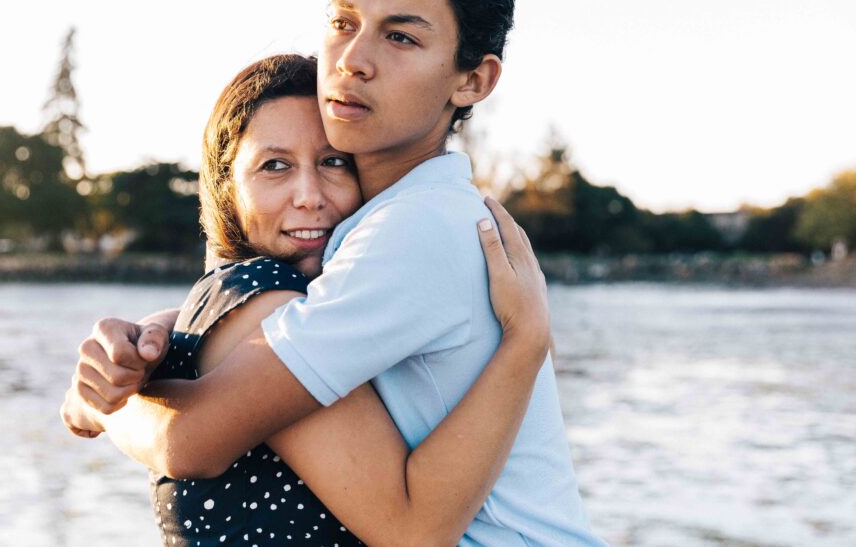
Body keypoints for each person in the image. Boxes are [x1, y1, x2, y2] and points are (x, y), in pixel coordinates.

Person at [66, 0, 605, 545]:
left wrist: (99, 406)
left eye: (399, 37)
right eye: (343, 24)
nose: (353, 60)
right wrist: (157, 331)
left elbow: (191, 440)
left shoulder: (415, 231)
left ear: (472, 80)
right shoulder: (398, 221)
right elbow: (280, 312)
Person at [63, 53, 551, 546]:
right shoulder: (268, 306)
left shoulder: (254, 305)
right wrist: (525, 341)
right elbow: (414, 532)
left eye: (333, 162)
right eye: (274, 166)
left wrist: (112, 389)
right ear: (226, 187)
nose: (309, 196)